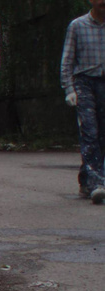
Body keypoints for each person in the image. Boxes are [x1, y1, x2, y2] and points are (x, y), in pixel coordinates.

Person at [62, 0, 105, 204]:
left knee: (102, 134)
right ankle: (97, 184)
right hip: (84, 83)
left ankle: (86, 177)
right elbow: (67, 60)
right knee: (90, 131)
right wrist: (69, 89)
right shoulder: (77, 25)